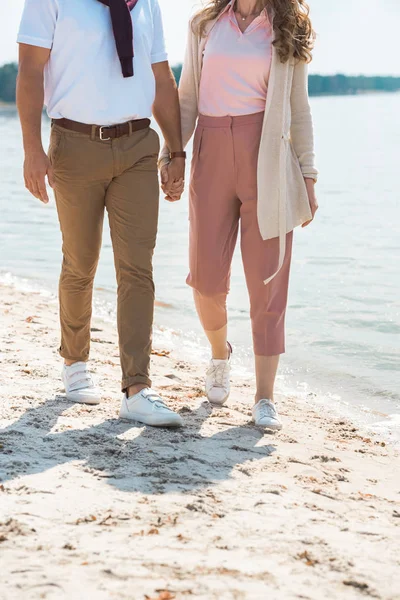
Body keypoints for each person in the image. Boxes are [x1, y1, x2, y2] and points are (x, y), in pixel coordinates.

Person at [16, 0, 186, 428]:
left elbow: (162, 78)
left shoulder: (146, 3)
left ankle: (137, 388)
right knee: (80, 261)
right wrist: (32, 150)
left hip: (137, 146)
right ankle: (75, 362)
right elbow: (31, 70)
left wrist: (177, 149)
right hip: (75, 144)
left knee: (137, 269)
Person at [160, 0, 319, 430]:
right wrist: (171, 154)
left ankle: (265, 397)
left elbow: (299, 110)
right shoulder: (205, 24)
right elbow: (187, 97)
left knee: (268, 282)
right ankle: (219, 355)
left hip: (267, 159)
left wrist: (308, 176)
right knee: (206, 278)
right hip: (210, 153)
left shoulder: (289, 26)